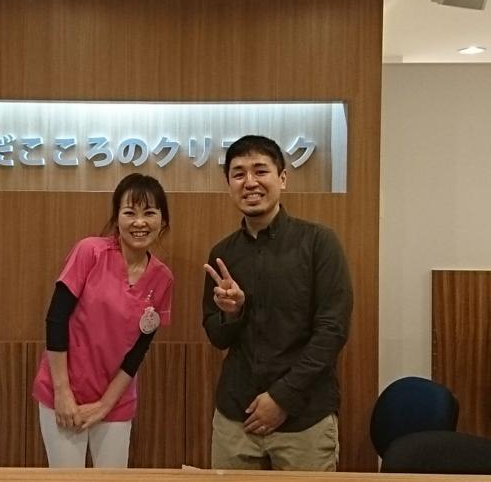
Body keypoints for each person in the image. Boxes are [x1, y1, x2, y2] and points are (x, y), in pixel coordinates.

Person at [202, 135, 352, 471]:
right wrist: (233, 313)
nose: (249, 182)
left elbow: (332, 331)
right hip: (235, 419)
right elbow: (217, 337)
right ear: (229, 185)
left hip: (304, 419)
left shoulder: (319, 243)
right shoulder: (223, 254)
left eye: (260, 171)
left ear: (282, 179)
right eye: (238, 174)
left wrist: (282, 398)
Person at [32, 173, 173, 468]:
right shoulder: (91, 252)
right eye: (129, 212)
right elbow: (56, 320)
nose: (139, 222)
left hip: (115, 400)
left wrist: (105, 405)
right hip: (65, 392)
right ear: (116, 218)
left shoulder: (162, 278)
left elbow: (138, 351)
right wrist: (63, 393)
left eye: (149, 213)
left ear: (162, 221)